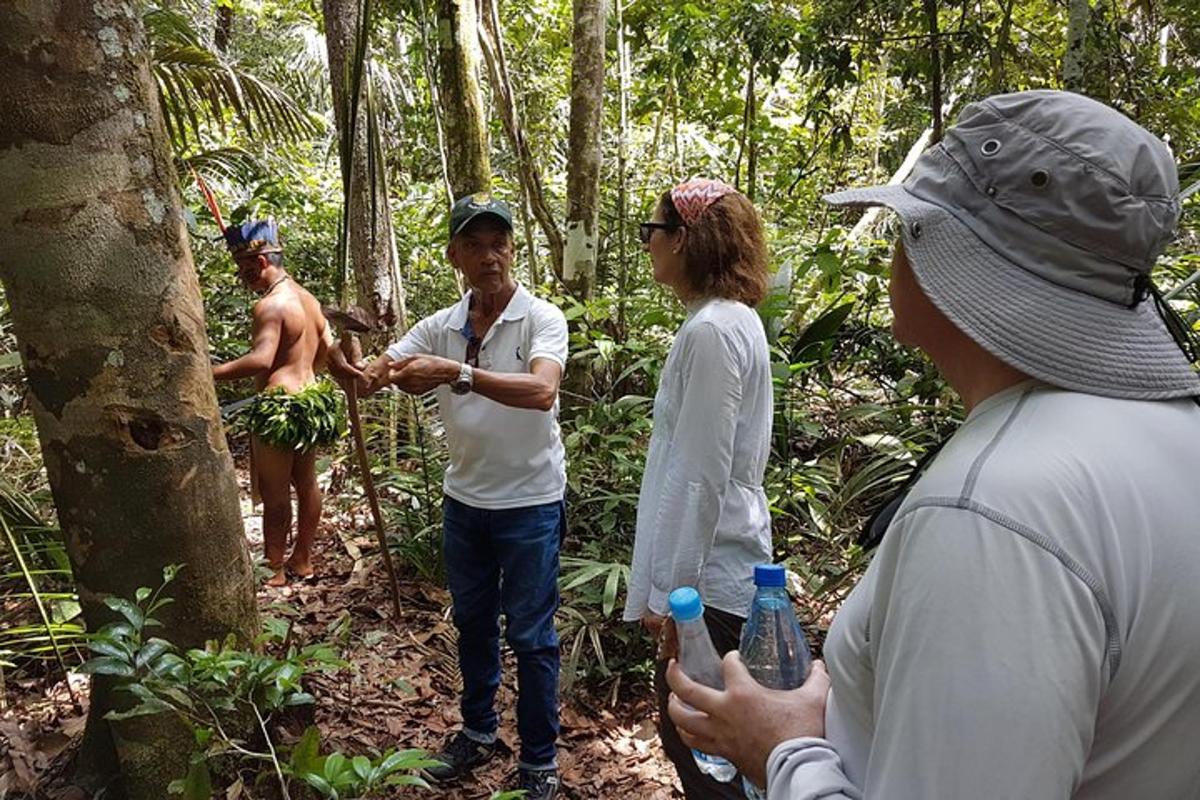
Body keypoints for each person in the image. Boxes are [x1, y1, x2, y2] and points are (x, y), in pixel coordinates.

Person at [666, 90, 1200, 798]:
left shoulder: (989, 509)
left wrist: (784, 749)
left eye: (907, 229)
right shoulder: (1170, 429)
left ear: (947, 255)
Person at [360, 192, 568, 800]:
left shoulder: (540, 318)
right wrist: (351, 361)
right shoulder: (441, 326)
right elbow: (377, 375)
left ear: (513, 248)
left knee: (532, 636)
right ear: (455, 255)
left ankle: (538, 762)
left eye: (498, 243)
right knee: (473, 625)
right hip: (466, 505)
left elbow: (541, 391)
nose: (489, 256)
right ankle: (477, 732)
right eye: (473, 245)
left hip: (530, 503)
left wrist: (458, 373)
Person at [621, 178, 773, 799]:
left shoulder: (712, 331)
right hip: (717, 575)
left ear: (682, 240)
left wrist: (673, 596)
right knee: (707, 746)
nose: (648, 245)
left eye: (651, 232)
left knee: (703, 751)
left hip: (711, 586)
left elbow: (702, 475)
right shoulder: (726, 323)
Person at [212, 219, 360, 587]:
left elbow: (262, 360)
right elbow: (330, 354)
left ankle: (275, 566)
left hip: (280, 407)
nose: (242, 277)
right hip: (310, 403)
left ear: (262, 262)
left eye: (245, 269)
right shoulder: (308, 300)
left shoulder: (271, 305)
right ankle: (303, 559)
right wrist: (350, 367)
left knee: (276, 492)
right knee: (307, 483)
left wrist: (208, 371)